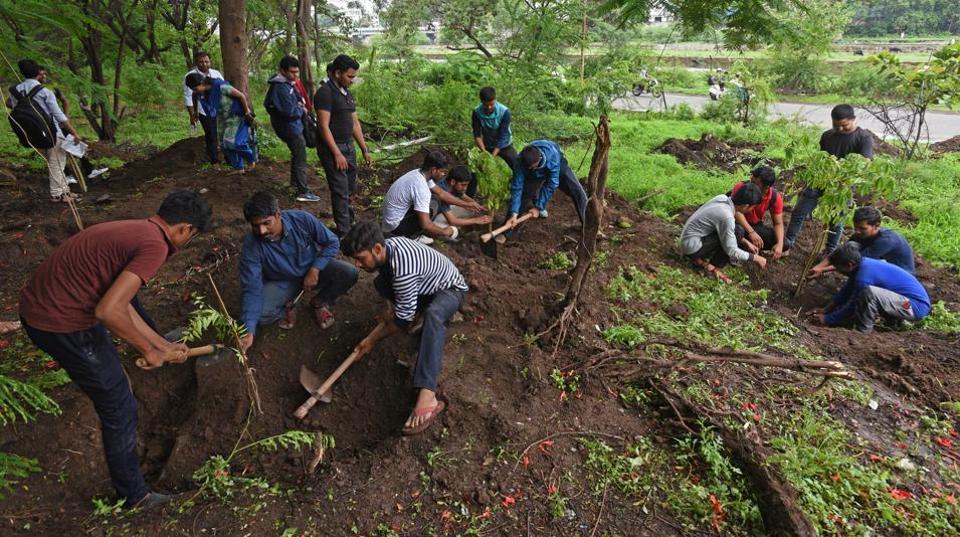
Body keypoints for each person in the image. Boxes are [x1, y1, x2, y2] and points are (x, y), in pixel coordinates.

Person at [19, 191, 212, 509]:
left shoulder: (138, 229)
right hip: (59, 322)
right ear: (185, 229)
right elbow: (109, 311)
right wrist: (147, 350)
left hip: (47, 308)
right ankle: (136, 496)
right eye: (192, 235)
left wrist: (161, 344)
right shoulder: (155, 245)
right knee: (119, 405)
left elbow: (123, 301)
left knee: (116, 384)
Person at [340, 220, 468, 435]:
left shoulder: (402, 268)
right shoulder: (389, 248)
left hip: (450, 289)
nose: (357, 265)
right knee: (380, 283)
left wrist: (372, 339)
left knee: (434, 316)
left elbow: (401, 321)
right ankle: (414, 309)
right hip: (426, 287)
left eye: (360, 258)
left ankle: (428, 395)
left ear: (378, 249)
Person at [238, 192, 358, 351]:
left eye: (266, 223)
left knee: (349, 273)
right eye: (255, 226)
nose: (261, 231)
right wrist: (248, 330)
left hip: (313, 270)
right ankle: (288, 306)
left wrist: (315, 268)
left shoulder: (301, 219)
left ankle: (320, 302)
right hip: (282, 281)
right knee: (259, 315)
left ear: (278, 214)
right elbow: (252, 287)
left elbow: (332, 242)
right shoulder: (251, 246)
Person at [785, 104, 875, 253]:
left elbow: (865, 163)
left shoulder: (863, 138)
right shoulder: (827, 135)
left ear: (854, 119)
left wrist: (844, 175)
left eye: (844, 125)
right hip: (820, 181)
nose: (839, 129)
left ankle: (830, 251)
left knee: (836, 220)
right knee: (799, 211)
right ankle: (787, 244)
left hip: (842, 187)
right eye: (835, 125)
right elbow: (821, 160)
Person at [8, 59, 83, 203]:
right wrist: (74, 132)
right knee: (57, 162)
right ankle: (57, 194)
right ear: (38, 72)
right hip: (52, 131)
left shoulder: (15, 90)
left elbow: (10, 104)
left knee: (54, 161)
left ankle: (64, 191)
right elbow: (59, 115)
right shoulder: (45, 92)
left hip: (31, 132)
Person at [314, 54, 372, 236]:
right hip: (333, 148)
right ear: (337, 73)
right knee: (339, 190)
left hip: (348, 145)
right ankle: (344, 232)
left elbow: (355, 123)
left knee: (349, 188)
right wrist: (337, 153)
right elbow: (323, 126)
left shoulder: (347, 93)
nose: (352, 81)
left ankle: (349, 221)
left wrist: (364, 148)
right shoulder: (325, 92)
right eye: (350, 76)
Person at [813, 242, 929, 333]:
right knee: (870, 293)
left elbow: (852, 305)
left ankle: (862, 332)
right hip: (903, 300)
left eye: (839, 268)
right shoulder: (863, 264)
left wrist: (828, 319)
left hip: (914, 306)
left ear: (850, 265)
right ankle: (893, 323)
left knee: (869, 293)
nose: (838, 271)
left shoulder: (863, 277)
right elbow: (846, 290)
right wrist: (826, 309)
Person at [381, 151, 482, 243]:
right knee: (434, 202)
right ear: (433, 170)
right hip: (394, 227)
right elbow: (426, 224)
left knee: (436, 198)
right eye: (442, 171)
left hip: (389, 221)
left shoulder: (420, 174)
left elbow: (442, 193)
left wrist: (468, 204)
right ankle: (411, 237)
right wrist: (445, 231)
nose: (443, 175)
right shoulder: (421, 187)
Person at [679, 184, 768, 283]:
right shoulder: (727, 216)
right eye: (753, 207)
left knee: (737, 230)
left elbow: (723, 230)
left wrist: (746, 242)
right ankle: (713, 266)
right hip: (692, 247)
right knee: (738, 231)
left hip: (687, 240)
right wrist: (756, 258)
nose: (752, 210)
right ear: (746, 206)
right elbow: (731, 250)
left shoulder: (722, 198)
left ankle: (701, 260)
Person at [265, 55, 319, 202]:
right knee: (300, 157)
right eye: (292, 72)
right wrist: (301, 109)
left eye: (297, 72)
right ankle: (303, 191)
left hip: (293, 125)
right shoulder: (281, 87)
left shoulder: (287, 84)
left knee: (297, 155)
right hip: (290, 127)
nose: (295, 76)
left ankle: (295, 184)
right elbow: (289, 111)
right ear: (282, 70)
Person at [807, 206, 915, 278]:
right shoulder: (860, 234)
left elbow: (856, 263)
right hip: (882, 264)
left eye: (862, 228)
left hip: (899, 275)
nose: (857, 231)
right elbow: (840, 253)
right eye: (856, 227)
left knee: (859, 268)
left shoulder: (886, 241)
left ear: (876, 226)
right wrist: (819, 267)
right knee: (850, 246)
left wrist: (823, 270)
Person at [505, 140, 588, 229]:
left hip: (557, 164)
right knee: (524, 195)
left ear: (539, 159)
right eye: (528, 168)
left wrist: (538, 207)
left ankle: (588, 225)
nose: (530, 168)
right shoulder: (520, 162)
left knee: (577, 190)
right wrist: (514, 213)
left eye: (532, 167)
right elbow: (517, 187)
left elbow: (552, 184)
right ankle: (507, 229)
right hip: (533, 173)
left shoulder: (552, 155)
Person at [185, 73, 258, 172]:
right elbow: (194, 96)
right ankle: (238, 168)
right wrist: (195, 113)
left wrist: (247, 113)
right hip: (222, 118)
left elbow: (241, 96)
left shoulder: (221, 86)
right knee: (224, 145)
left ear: (202, 83)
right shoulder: (199, 92)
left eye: (195, 88)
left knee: (234, 142)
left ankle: (250, 158)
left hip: (236, 115)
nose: (194, 91)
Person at [731, 165, 785, 259]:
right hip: (738, 223)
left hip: (755, 226)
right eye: (751, 180)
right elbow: (736, 211)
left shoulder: (775, 198)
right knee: (738, 230)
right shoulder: (742, 187)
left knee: (784, 243)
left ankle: (744, 243)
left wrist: (780, 245)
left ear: (766, 187)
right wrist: (751, 232)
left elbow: (778, 223)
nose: (751, 184)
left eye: (755, 183)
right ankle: (742, 244)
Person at [183, 51, 224, 165]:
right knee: (210, 133)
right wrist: (192, 114)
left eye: (206, 61)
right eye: (201, 62)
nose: (204, 64)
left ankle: (223, 154)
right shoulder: (190, 76)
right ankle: (214, 160)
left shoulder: (216, 74)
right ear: (196, 62)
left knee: (220, 132)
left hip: (218, 107)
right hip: (203, 110)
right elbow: (189, 96)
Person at [472, 86, 518, 179]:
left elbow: (503, 136)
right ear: (481, 102)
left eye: (492, 104)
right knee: (476, 171)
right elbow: (477, 134)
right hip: (486, 145)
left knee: (517, 166)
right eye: (486, 105)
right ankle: (471, 192)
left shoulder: (505, 112)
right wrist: (484, 153)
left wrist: (492, 156)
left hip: (504, 145)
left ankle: (519, 187)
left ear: (495, 99)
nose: (489, 107)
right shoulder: (476, 112)